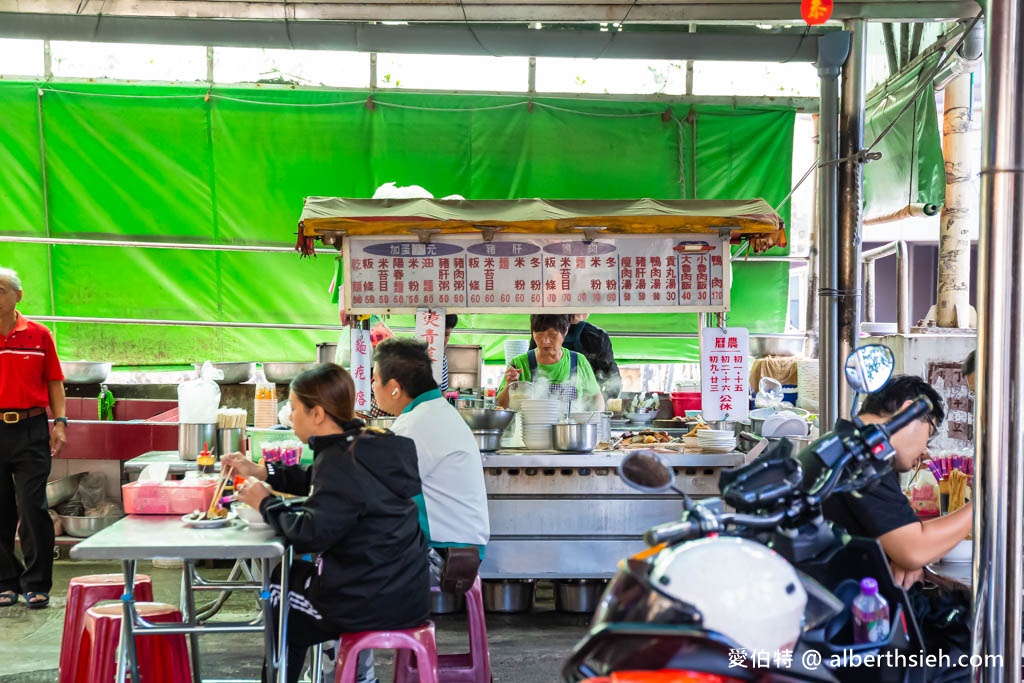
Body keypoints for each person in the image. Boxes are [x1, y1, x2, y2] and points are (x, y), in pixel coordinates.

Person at [225, 363, 429, 683]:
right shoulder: (371, 443)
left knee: (281, 593)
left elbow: (310, 534)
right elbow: (319, 484)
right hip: (408, 593)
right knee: (290, 578)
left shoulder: (339, 461)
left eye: (294, 409)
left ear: (317, 413)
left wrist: (265, 502)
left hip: (367, 600)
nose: (290, 417)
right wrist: (263, 472)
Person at [822, 375, 973, 589]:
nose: (925, 450)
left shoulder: (847, 444)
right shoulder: (861, 458)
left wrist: (902, 554)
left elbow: (907, 542)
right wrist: (986, 502)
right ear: (908, 412)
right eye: (928, 434)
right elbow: (915, 548)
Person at [371, 337, 490, 568]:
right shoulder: (435, 411)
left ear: (394, 387)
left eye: (374, 379)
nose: (372, 386)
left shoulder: (416, 424)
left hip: (442, 553)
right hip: (458, 546)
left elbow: (383, 488)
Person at [0, 267, 67, 610]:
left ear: (17, 296)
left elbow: (55, 381)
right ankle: (5, 580)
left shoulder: (39, 334)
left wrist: (60, 422)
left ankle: (36, 582)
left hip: (31, 427)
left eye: (0, 290)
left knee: (32, 506)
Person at [496, 314, 604, 410]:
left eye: (552, 335)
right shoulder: (519, 363)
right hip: (530, 431)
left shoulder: (579, 361)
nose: (545, 341)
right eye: (539, 335)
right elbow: (501, 405)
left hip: (568, 431)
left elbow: (596, 398)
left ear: (565, 331)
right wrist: (509, 384)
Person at [528, 313, 621, 399]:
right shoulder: (597, 335)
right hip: (586, 409)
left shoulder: (541, 332)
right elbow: (613, 378)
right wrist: (604, 404)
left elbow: (530, 369)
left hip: (541, 407)